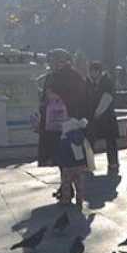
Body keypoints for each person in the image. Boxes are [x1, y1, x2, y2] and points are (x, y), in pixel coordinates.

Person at [38, 49, 89, 203]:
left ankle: (67, 189)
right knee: (68, 158)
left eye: (53, 61)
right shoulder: (67, 77)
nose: (51, 64)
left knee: (65, 159)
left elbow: (46, 100)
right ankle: (70, 189)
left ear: (60, 61)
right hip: (64, 124)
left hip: (62, 125)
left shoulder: (63, 77)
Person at [86, 61, 119, 172]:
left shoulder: (107, 82)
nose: (91, 74)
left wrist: (98, 112)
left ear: (98, 72)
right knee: (89, 141)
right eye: (90, 71)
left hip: (106, 117)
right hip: (93, 117)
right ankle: (89, 164)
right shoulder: (88, 82)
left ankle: (113, 163)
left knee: (110, 141)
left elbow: (107, 98)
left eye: (93, 71)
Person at [56, 118, 91, 211]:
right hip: (80, 165)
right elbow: (86, 151)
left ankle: (66, 199)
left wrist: (60, 163)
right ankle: (79, 199)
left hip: (68, 166)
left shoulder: (64, 140)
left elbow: (61, 153)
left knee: (66, 184)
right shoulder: (82, 138)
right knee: (79, 184)